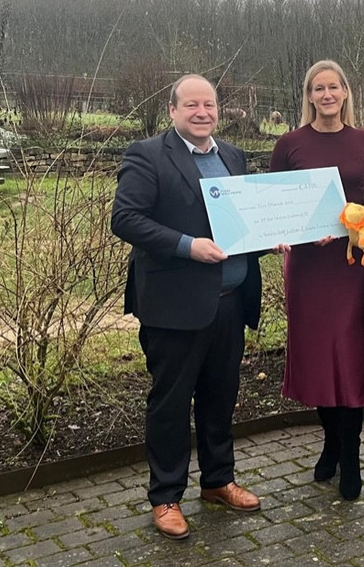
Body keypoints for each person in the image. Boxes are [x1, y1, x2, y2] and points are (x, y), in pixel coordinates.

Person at [111, 74, 264, 539]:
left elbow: (246, 222)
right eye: (192, 105)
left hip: (229, 302)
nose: (202, 112)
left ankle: (218, 480)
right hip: (174, 306)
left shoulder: (232, 156)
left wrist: (272, 239)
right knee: (171, 404)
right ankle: (165, 497)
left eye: (210, 104)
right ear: (173, 110)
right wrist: (185, 245)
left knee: (220, 397)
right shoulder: (148, 155)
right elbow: (126, 218)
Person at [269, 59, 364, 500]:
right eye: (319, 88)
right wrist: (286, 233)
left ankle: (351, 454)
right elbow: (274, 201)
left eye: (334, 87)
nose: (327, 95)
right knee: (318, 355)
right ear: (309, 96)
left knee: (347, 351)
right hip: (308, 267)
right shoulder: (290, 143)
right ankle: (331, 443)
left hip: (350, 266)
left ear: (345, 92)